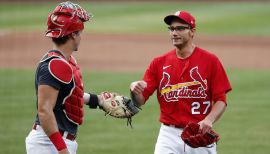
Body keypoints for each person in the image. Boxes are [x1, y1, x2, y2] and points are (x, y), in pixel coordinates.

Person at [130, 10, 232, 154]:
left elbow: (221, 100)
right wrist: (134, 90)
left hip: (199, 133)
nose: (174, 33)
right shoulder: (159, 63)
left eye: (180, 28)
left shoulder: (210, 61)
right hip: (168, 135)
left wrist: (209, 120)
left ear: (192, 31)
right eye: (171, 29)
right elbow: (139, 101)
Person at [25, 2, 106, 154]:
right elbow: (44, 111)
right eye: (79, 33)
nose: (81, 37)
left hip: (55, 142)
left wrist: (97, 100)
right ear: (72, 34)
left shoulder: (65, 61)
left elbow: (66, 97)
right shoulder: (55, 65)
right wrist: (62, 150)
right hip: (48, 144)